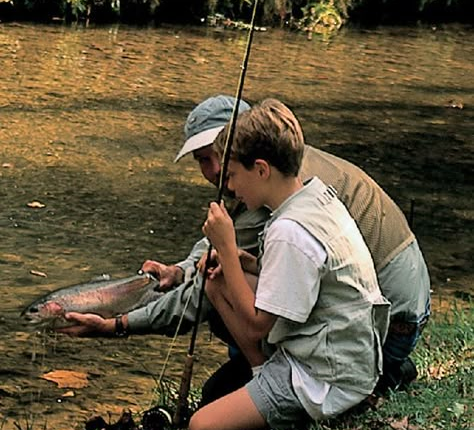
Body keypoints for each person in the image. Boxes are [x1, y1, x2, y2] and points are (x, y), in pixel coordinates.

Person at [59, 93, 430, 397]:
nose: (209, 173)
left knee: (218, 377)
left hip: (388, 324)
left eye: (212, 158)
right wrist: (180, 270)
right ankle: (374, 369)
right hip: (381, 310)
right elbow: (218, 248)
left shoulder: (279, 195)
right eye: (200, 161)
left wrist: (117, 325)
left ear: (244, 152)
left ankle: (383, 372)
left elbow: (202, 294)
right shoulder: (279, 162)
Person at [188, 99, 390, 430]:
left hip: (325, 377)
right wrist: (242, 261)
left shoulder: (290, 230)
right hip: (346, 355)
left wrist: (225, 246)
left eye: (233, 175)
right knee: (217, 281)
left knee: (201, 427)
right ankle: (262, 379)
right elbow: (300, 273)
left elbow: (255, 325)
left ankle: (280, 412)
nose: (231, 188)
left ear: (262, 169)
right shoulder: (314, 195)